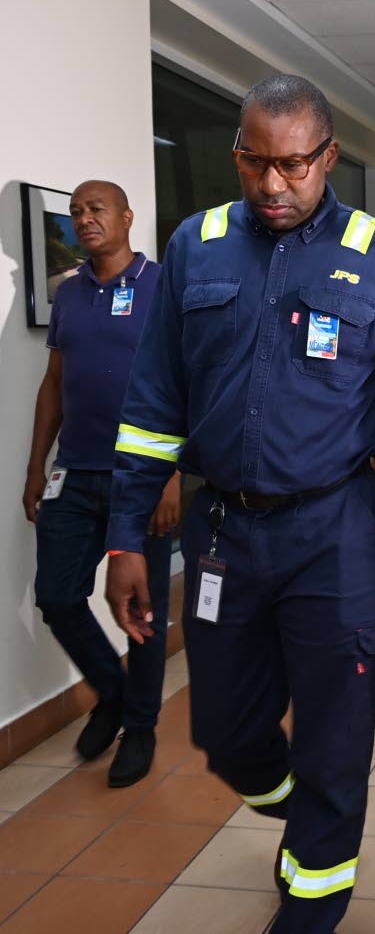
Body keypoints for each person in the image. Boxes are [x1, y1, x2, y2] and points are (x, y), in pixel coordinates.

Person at [103, 74, 375, 934]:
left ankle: (311, 905)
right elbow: (152, 405)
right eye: (256, 162)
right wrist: (126, 536)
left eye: (294, 165)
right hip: (222, 529)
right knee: (230, 728)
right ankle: (296, 806)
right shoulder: (198, 244)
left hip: (333, 529)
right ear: (237, 155)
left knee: (336, 732)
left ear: (327, 156)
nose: (273, 184)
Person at [21, 180, 176, 788]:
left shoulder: (164, 287)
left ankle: (140, 726)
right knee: (57, 595)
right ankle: (113, 694)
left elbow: (187, 386)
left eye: (97, 209)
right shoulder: (71, 294)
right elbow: (54, 383)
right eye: (77, 211)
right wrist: (36, 464)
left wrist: (172, 475)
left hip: (142, 476)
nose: (85, 219)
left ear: (127, 217)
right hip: (75, 473)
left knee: (141, 608)